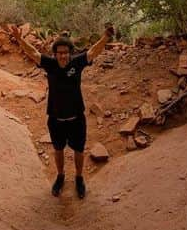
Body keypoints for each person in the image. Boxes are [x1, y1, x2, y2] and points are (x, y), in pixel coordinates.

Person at [11, 24, 113, 198]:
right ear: (55, 54)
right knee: (58, 150)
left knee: (79, 150)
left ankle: (79, 178)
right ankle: (60, 176)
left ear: (70, 53)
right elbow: (33, 53)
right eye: (60, 53)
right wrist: (20, 39)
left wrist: (105, 37)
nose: (63, 56)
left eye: (66, 52)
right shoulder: (50, 64)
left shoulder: (77, 63)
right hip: (56, 119)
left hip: (76, 119)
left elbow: (93, 52)